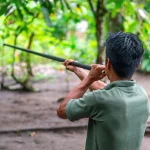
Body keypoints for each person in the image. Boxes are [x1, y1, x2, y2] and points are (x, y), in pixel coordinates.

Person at [57, 32, 149, 150]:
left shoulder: (100, 99)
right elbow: (108, 91)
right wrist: (78, 70)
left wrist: (90, 78)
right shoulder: (141, 93)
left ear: (108, 63)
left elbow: (62, 111)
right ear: (138, 65)